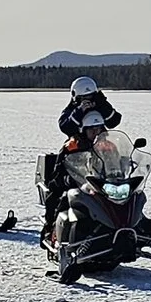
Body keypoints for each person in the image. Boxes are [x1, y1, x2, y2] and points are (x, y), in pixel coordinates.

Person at [41, 76, 124, 234]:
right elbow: (64, 126)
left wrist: (102, 103)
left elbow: (115, 120)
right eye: (83, 98)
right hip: (78, 148)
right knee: (57, 190)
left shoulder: (100, 106)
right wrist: (80, 111)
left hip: (100, 147)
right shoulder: (72, 111)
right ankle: (50, 226)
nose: (87, 100)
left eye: (90, 96)